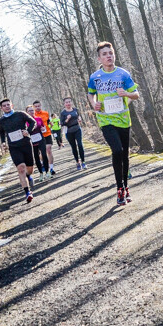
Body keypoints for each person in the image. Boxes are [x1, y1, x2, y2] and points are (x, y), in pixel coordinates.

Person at [87, 41, 140, 205]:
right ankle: (119, 189)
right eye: (104, 54)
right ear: (99, 59)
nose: (108, 56)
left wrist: (126, 93)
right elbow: (90, 94)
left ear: (114, 54)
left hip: (123, 120)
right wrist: (93, 104)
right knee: (116, 150)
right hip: (105, 119)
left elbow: (136, 94)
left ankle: (126, 187)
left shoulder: (123, 74)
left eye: (110, 53)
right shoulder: (95, 77)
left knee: (124, 154)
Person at [0, 98, 36, 202]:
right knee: (21, 168)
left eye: (8, 104)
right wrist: (3, 142)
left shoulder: (21, 114)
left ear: (12, 105)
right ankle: (27, 192)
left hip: (26, 144)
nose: (6, 106)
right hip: (13, 147)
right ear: (1, 108)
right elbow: (2, 132)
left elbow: (33, 122)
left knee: (29, 169)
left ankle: (29, 176)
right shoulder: (2, 120)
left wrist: (28, 131)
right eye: (4, 105)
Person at [60, 96, 87, 170]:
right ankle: (78, 162)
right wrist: (67, 119)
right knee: (74, 147)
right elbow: (62, 123)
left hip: (77, 129)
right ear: (64, 104)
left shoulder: (75, 110)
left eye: (69, 102)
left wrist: (80, 119)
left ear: (71, 102)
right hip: (69, 131)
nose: (68, 103)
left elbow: (78, 117)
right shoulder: (63, 113)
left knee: (80, 145)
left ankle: (83, 162)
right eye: (66, 102)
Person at [33, 100, 57, 176]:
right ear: (33, 107)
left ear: (41, 106)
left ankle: (51, 168)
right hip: (39, 136)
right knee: (41, 153)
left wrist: (50, 124)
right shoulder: (32, 115)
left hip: (47, 134)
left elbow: (48, 121)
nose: (37, 107)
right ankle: (44, 163)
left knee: (49, 150)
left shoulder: (46, 113)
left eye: (39, 106)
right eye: (36, 106)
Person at [25, 105, 49, 179]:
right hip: (32, 141)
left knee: (44, 155)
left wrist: (43, 128)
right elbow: (25, 132)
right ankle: (41, 173)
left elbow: (43, 128)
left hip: (41, 139)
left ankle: (47, 172)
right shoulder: (25, 122)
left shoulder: (39, 119)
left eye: (32, 110)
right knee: (36, 157)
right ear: (27, 112)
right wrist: (31, 129)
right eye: (29, 111)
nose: (31, 112)